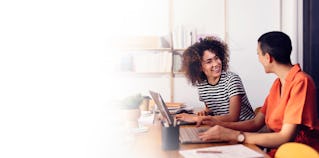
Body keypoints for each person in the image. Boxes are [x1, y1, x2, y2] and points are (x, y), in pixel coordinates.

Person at [195, 31, 319, 157]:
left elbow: (285, 137)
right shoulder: (278, 84)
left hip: (297, 153)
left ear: (268, 57)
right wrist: (220, 125)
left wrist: (236, 136)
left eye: (258, 54)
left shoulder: (302, 81)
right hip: (278, 150)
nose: (258, 59)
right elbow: (256, 123)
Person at [176, 36, 255, 123]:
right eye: (209, 61)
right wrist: (206, 112)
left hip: (245, 127)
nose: (216, 63)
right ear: (199, 67)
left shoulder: (232, 80)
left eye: (216, 58)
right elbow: (213, 109)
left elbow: (233, 117)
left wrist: (195, 118)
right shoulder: (202, 85)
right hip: (225, 126)